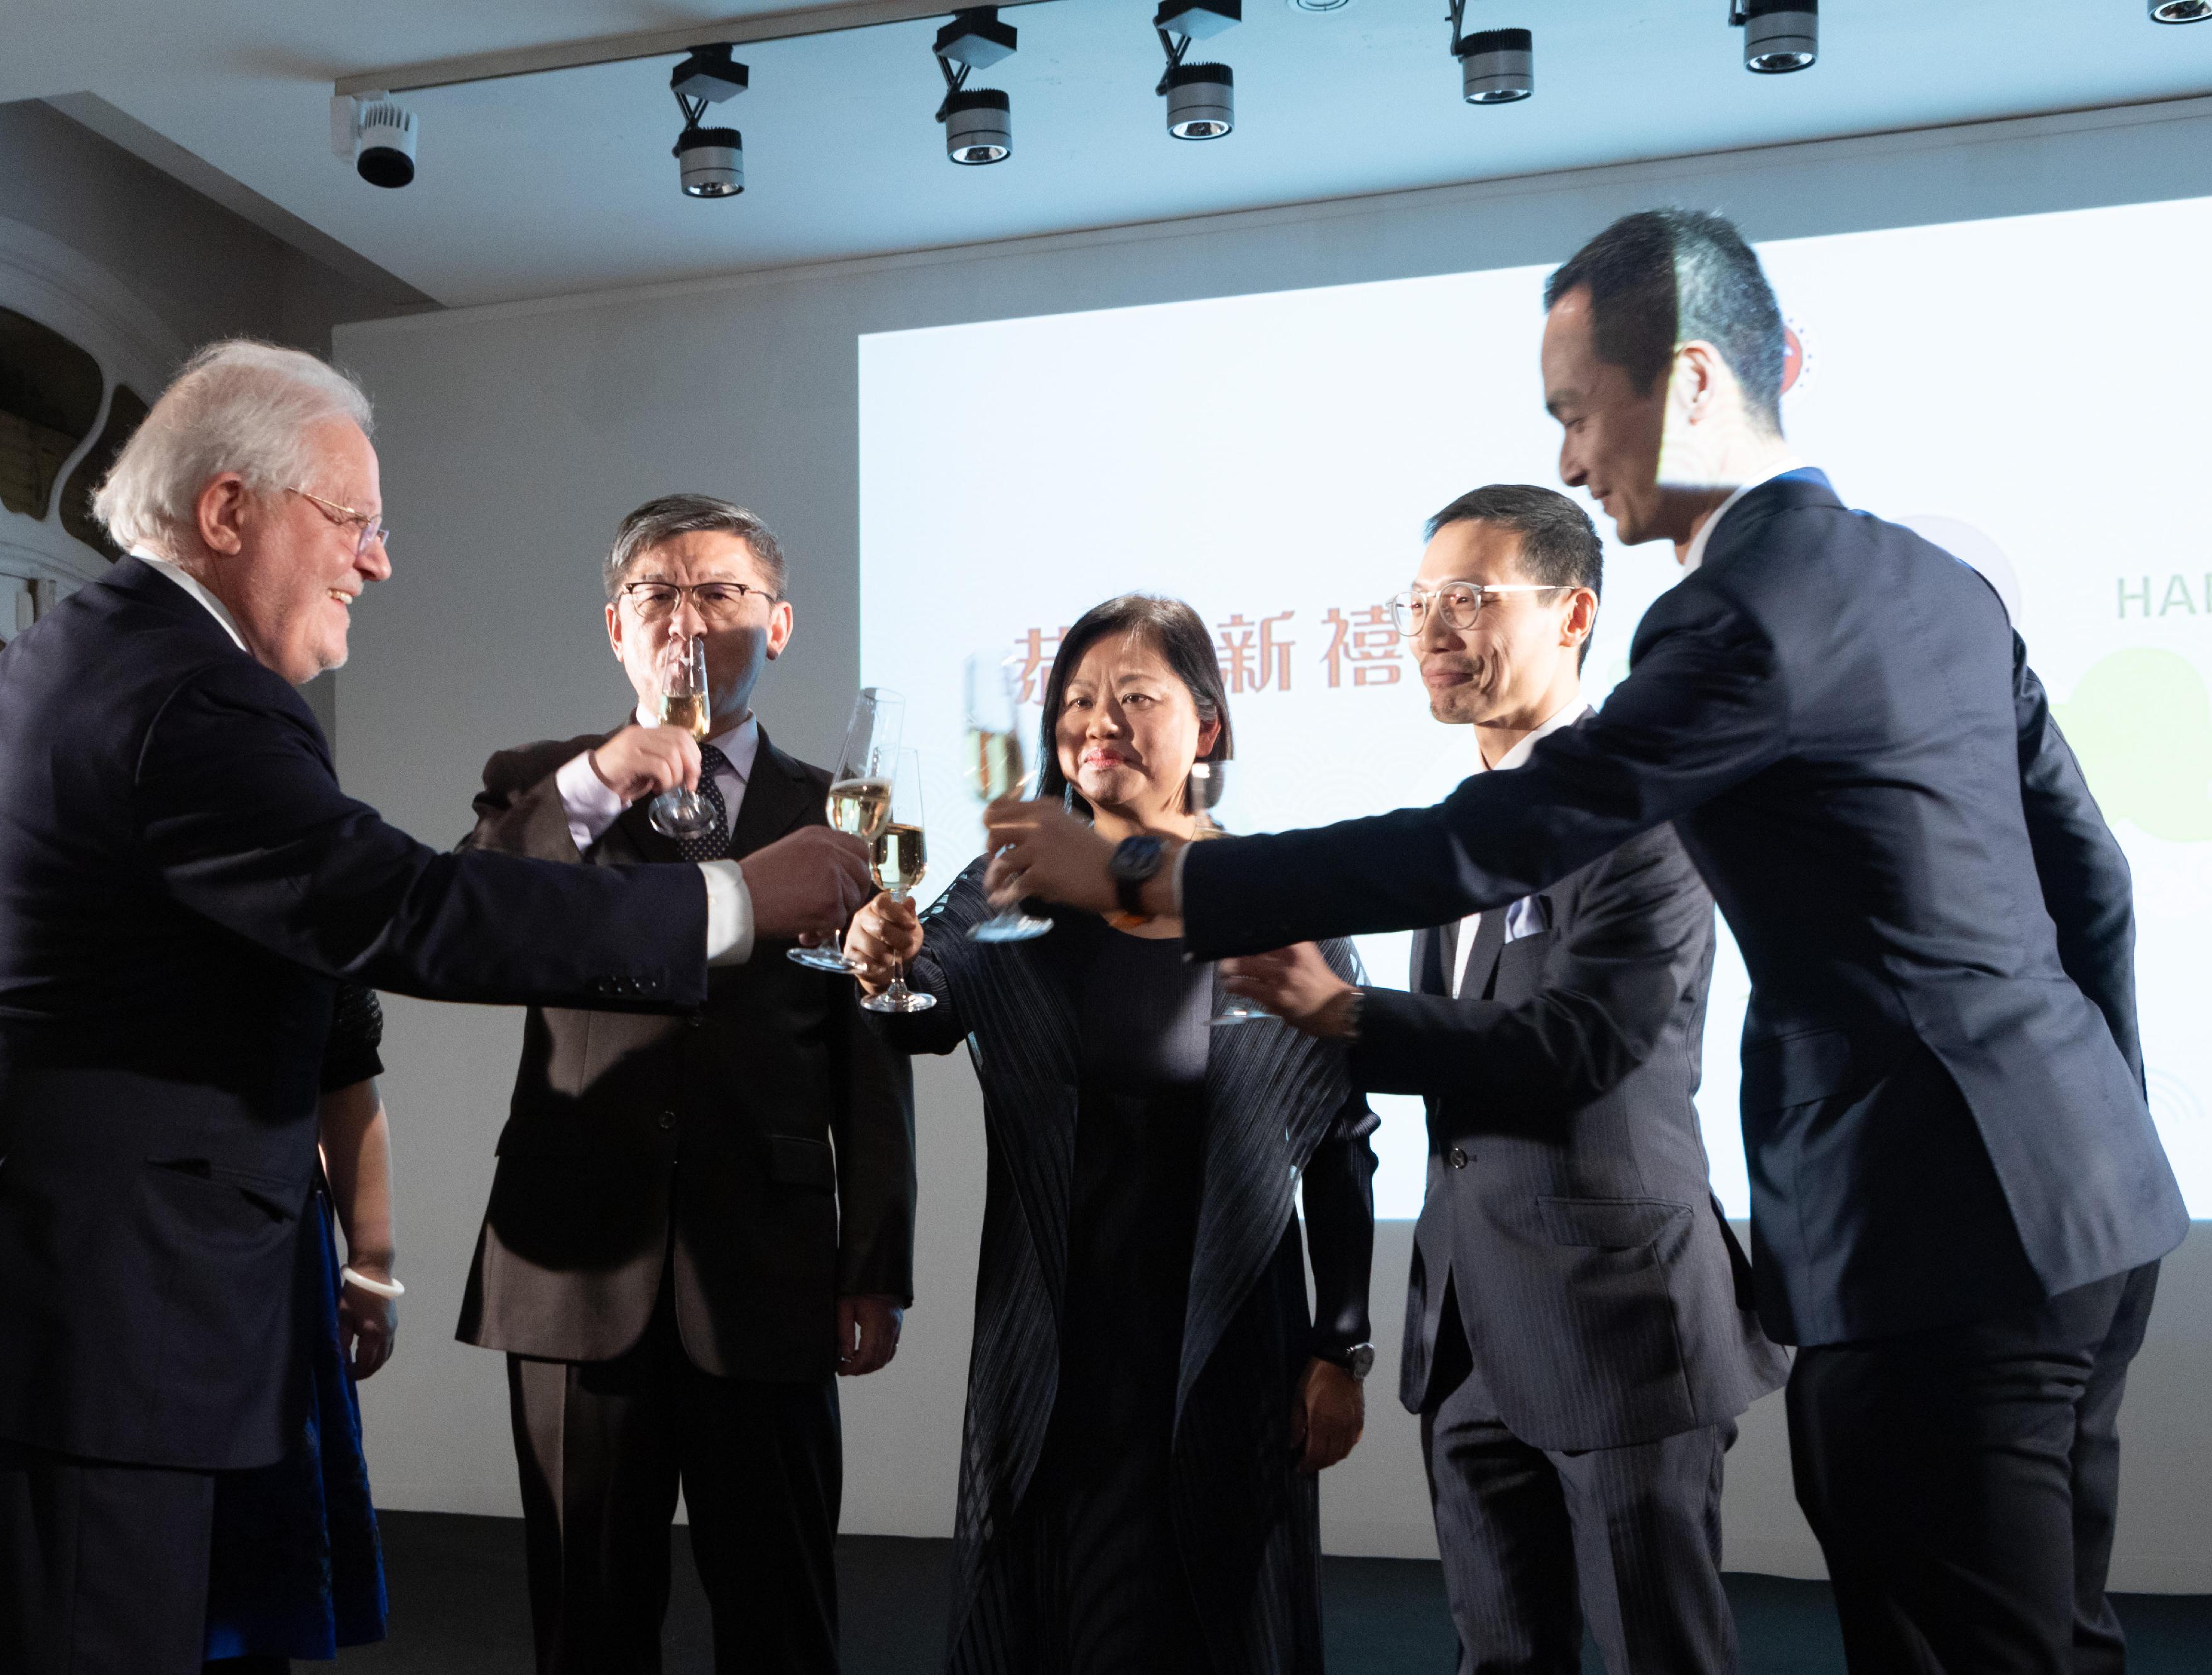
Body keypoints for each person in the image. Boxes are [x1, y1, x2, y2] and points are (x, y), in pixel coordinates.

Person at [983, 211, 2186, 1675]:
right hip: (2092, 1211)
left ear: (1683, 383)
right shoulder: (1934, 581)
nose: (1566, 459)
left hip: (1927, 1236)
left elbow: (1488, 841)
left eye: (1572, 410)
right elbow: (2094, 880)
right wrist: (2088, 1120)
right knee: (2051, 1641)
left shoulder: (1734, 619)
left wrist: (1150, 875)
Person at [0, 341, 873, 1675]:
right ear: (228, 512)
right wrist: (732, 904)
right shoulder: (197, 695)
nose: (379, 560)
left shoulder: (40, 665)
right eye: (354, 521)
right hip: (76, 1348)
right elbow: (409, 911)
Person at [1221, 485, 1787, 1675]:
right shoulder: (1462, 824)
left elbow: (1576, 1049)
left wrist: (1345, 1013)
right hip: (1472, 1333)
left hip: (1620, 1324)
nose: (1431, 627)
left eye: (1470, 598)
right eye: (1418, 602)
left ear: (1575, 612)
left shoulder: (1643, 815)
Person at [849, 594, 1375, 1675]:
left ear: (1209, 728)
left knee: (1213, 1628)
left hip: (1225, 1350)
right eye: (1080, 699)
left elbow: (1339, 1137)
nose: (1101, 721)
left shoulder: (1270, 893)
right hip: (1054, 1346)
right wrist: (879, 959)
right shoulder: (1011, 891)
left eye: (1138, 696)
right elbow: (923, 1004)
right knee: (1057, 1621)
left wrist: (1342, 1346)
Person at [452, 494, 918, 1675]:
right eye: (657, 594)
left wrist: (873, 1259)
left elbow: (870, 1049)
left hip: (765, 1263)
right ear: (616, 626)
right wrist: (602, 777)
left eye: (719, 592)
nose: (686, 619)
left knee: (781, 1610)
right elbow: (460, 918)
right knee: (586, 1615)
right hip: (571, 1255)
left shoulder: (836, 811)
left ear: (781, 623)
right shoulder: (544, 791)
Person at [204, 982, 400, 1672]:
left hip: (266, 1254)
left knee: (254, 1573)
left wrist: (371, 1263)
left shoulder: (301, 893)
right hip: (103, 1252)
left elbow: (347, 1082)